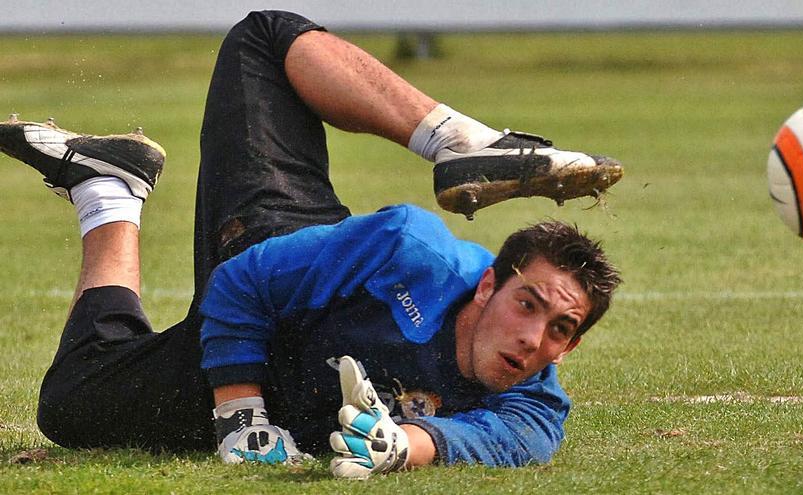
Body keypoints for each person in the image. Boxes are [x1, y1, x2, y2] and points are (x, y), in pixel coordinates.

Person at [0, 10, 622, 478]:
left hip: (295, 395)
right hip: (269, 283)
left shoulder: (535, 397)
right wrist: (240, 416)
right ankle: (459, 139)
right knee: (263, 39)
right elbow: (240, 285)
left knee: (68, 404)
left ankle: (108, 191)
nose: (534, 338)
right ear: (489, 283)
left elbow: (514, 440)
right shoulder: (409, 251)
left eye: (561, 329)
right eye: (529, 304)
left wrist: (405, 445)